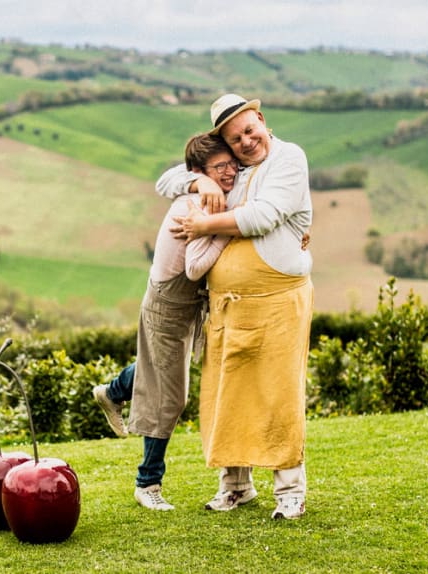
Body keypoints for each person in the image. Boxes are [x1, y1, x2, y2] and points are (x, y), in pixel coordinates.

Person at [156, 93, 314, 520]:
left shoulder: (289, 158)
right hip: (227, 305)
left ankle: (290, 493)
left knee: (278, 394)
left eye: (249, 130)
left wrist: (204, 224)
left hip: (279, 300)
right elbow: (165, 181)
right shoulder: (234, 169)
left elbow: (264, 216)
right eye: (235, 138)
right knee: (228, 396)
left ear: (262, 119)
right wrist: (200, 182)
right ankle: (236, 487)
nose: (246, 142)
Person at [93, 133, 237, 511]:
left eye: (230, 163)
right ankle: (147, 483)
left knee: (160, 376)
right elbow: (193, 269)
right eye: (219, 167)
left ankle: (112, 391)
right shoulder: (195, 206)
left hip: (184, 308)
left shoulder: (214, 198)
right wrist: (225, 232)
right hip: (167, 305)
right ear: (199, 172)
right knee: (169, 397)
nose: (229, 171)